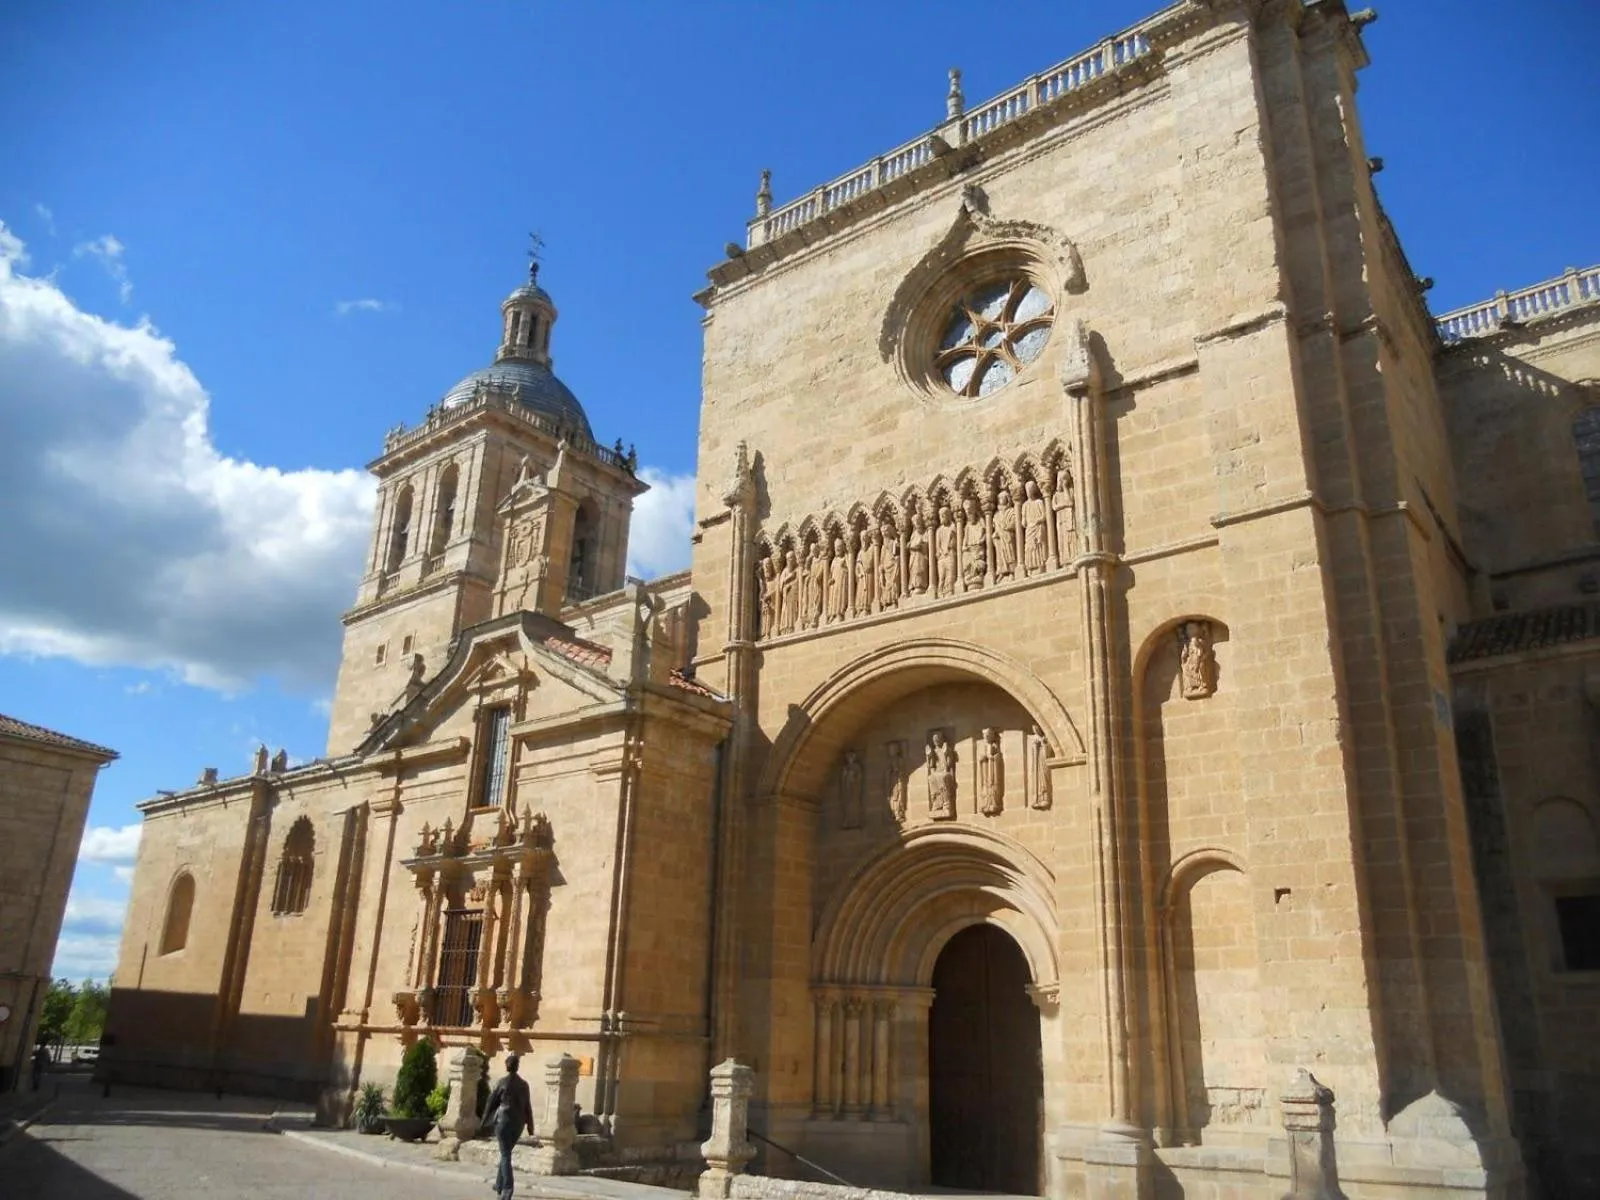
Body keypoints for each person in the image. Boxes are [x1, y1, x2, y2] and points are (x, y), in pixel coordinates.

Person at [483, 1053, 536, 1200]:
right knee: (505, 1153)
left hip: (503, 1122)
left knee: (505, 1154)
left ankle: (507, 1188)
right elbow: (528, 1107)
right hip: (518, 1124)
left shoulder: (502, 1082)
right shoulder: (524, 1085)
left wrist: (483, 1122)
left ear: (507, 1066)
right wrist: (530, 1125)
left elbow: (490, 1102)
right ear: (517, 1067)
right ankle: (499, 1184)